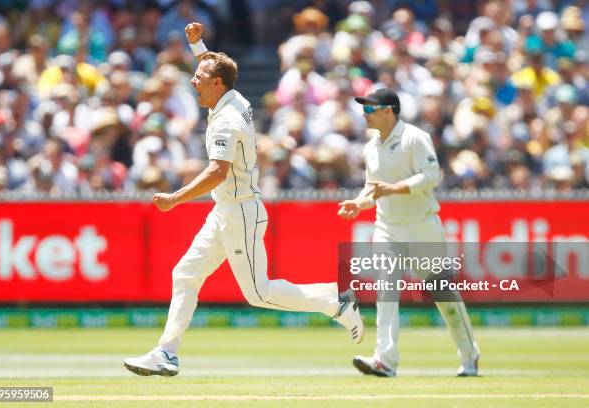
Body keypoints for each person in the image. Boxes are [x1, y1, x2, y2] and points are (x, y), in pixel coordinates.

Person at [124, 22, 364, 377]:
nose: (193, 80)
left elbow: (217, 172)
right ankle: (167, 352)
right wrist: (198, 45)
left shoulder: (227, 119)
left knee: (259, 293)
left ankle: (335, 301)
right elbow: (212, 65)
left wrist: (176, 198)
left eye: (199, 77)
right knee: (185, 274)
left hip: (240, 212)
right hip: (226, 210)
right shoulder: (228, 93)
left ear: (216, 84)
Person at [337, 88, 480, 377]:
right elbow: (372, 188)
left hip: (421, 225)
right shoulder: (371, 146)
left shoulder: (415, 138)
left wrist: (394, 188)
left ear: (388, 111)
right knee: (386, 291)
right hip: (387, 227)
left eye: (369, 110)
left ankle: (469, 354)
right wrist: (358, 203)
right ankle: (385, 360)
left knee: (442, 294)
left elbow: (430, 177)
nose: (364, 115)